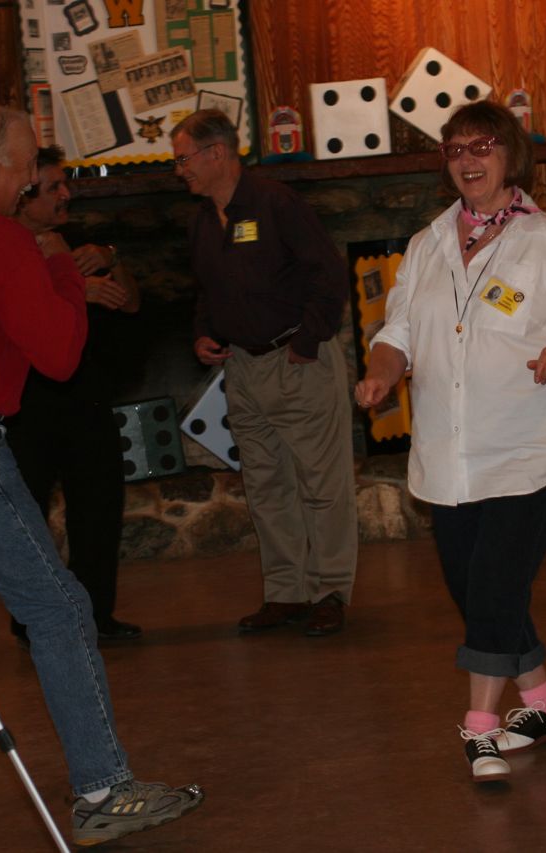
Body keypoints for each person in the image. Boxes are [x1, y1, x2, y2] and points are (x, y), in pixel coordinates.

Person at [0, 106, 202, 845]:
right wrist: (58, 268)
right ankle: (102, 788)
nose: (27, 187)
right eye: (22, 171)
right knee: (59, 607)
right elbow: (59, 355)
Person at [354, 100, 546, 781]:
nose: (470, 161)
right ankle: (543, 701)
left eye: (483, 147)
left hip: (531, 447)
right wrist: (380, 374)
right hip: (449, 455)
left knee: (496, 587)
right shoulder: (426, 244)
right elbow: (398, 334)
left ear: (510, 156)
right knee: (473, 589)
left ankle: (479, 728)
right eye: (456, 150)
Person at [170, 109, 358, 636]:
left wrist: (306, 342)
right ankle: (286, 594)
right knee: (266, 485)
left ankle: (329, 593)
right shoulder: (203, 220)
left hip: (297, 362)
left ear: (217, 153)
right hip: (243, 371)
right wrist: (203, 333)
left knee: (323, 486)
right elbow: (207, 290)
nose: (179, 169)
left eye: (184, 158)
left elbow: (328, 275)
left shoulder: (277, 203)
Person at [6, 144, 143, 645]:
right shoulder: (4, 246)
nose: (67, 194)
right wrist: (70, 289)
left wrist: (113, 258)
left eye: (65, 184)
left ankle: (96, 617)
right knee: (28, 516)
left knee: (99, 509)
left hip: (86, 396)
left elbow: (130, 302)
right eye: (54, 187)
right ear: (23, 197)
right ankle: (33, 620)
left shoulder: (79, 240)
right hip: (26, 403)